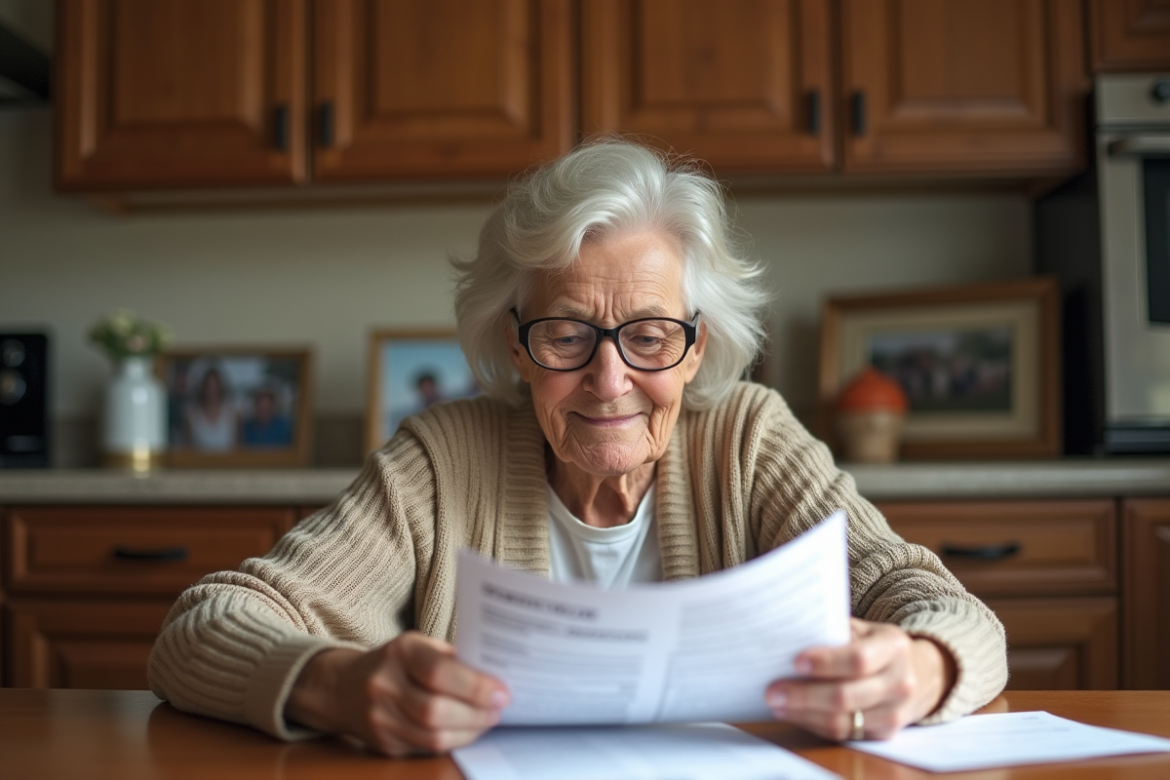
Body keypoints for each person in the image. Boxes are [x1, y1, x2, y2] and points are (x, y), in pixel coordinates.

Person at [148, 139, 1007, 757]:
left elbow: (938, 603)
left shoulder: (749, 438)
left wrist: (923, 667)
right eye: (565, 334)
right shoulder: (445, 459)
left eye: (650, 334)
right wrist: (334, 687)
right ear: (516, 346)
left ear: (697, 346)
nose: (608, 379)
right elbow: (200, 630)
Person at [184, 366, 236, 451]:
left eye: (215, 386)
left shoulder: (232, 412)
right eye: (209, 386)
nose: (212, 390)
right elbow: (188, 449)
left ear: (220, 387)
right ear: (203, 388)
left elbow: (237, 448)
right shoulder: (192, 414)